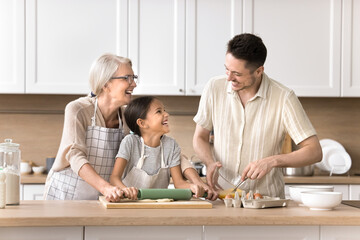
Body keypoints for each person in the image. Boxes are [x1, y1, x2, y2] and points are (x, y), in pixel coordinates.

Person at [43, 53, 209, 201]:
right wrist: (105, 187)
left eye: (133, 77)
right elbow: (75, 155)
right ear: (105, 83)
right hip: (66, 194)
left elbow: (171, 150)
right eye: (127, 78)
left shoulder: (125, 116)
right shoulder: (78, 109)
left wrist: (197, 182)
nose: (133, 84)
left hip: (103, 197)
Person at [193, 33, 322, 198]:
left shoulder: (283, 97)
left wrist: (272, 161)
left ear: (259, 71)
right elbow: (200, 137)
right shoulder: (214, 87)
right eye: (227, 70)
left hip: (266, 201)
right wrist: (209, 162)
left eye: (237, 74)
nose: (229, 78)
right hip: (221, 197)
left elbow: (314, 151)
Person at [110, 96, 206, 200]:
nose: (166, 114)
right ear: (142, 123)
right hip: (130, 203)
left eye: (164, 110)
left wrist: (192, 186)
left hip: (159, 206)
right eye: (159, 111)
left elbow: (179, 184)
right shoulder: (130, 142)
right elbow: (114, 178)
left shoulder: (171, 145)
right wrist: (125, 189)